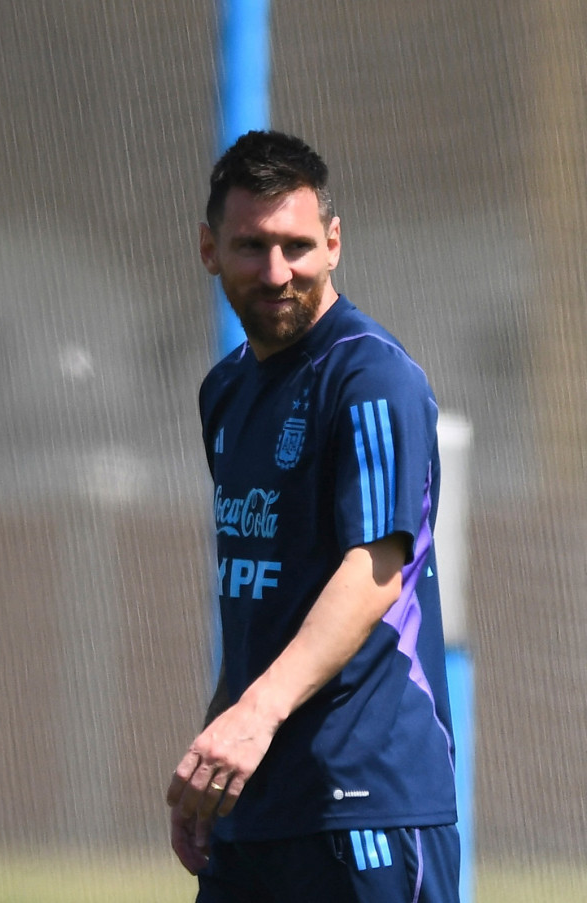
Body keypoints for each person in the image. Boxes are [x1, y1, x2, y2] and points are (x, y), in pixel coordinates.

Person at [165, 130, 459, 902]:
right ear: (208, 249)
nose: (276, 271)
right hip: (256, 804)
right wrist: (216, 747)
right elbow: (261, 595)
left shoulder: (371, 377)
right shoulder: (224, 391)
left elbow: (374, 571)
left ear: (333, 244)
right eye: (251, 246)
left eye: (297, 245)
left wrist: (252, 716)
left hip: (365, 801)